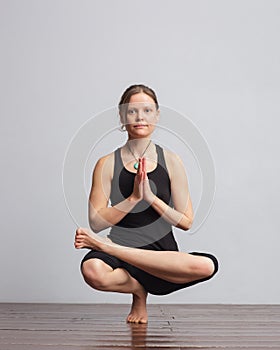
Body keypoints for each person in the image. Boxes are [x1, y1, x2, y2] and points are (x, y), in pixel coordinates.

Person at [74, 84, 218, 324]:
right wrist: (133, 199)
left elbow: (186, 221)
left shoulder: (171, 161)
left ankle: (113, 254)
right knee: (93, 272)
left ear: (157, 116)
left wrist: (151, 198)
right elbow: (96, 222)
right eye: (132, 111)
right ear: (122, 117)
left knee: (207, 266)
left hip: (160, 253)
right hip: (122, 242)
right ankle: (139, 289)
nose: (140, 117)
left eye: (147, 111)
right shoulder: (107, 163)